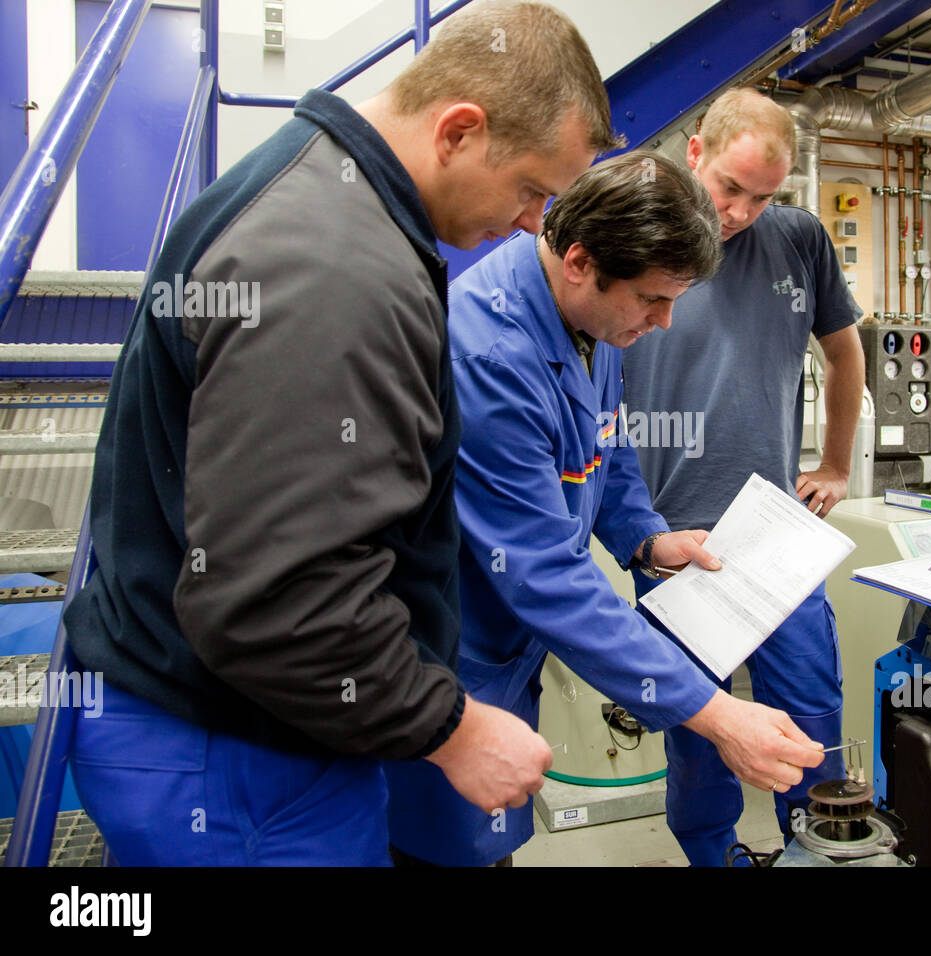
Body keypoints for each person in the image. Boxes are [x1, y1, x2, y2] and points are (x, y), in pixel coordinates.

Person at [63, 1, 619, 866]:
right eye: (532, 191)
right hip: (238, 763)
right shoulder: (333, 269)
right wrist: (452, 729)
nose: (529, 225)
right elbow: (279, 601)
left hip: (250, 732)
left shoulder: (325, 197)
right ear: (459, 131)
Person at [384, 151, 827, 867]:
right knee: (441, 848)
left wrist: (648, 541)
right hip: (451, 653)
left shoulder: (593, 322)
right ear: (580, 261)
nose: (665, 320)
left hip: (504, 648)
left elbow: (606, 445)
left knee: (488, 843)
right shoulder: (491, 357)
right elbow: (546, 576)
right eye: (654, 299)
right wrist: (714, 713)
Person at [620, 87, 867, 866]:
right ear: (694, 152)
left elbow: (844, 353)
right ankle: (711, 854)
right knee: (701, 734)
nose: (742, 211)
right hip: (674, 542)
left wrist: (834, 463)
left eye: (764, 195)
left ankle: (825, 848)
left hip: (774, 537)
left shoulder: (798, 242)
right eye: (731, 187)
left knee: (811, 718)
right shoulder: (638, 240)